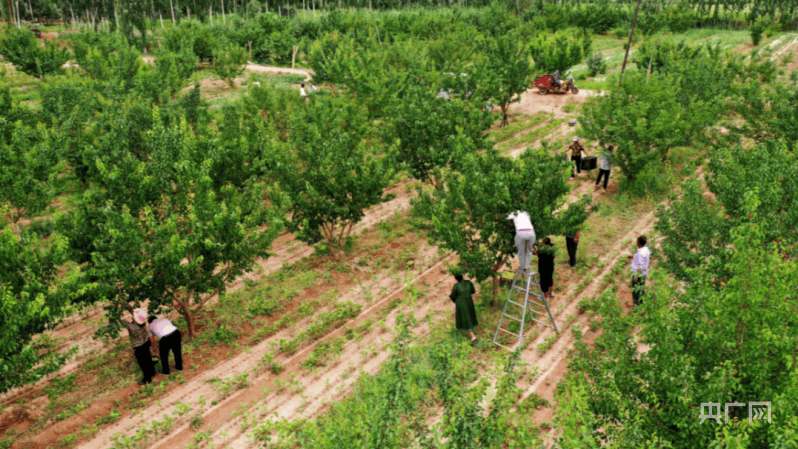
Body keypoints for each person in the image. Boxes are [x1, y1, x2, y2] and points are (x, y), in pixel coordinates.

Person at [123, 308, 156, 385]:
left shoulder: (132, 326)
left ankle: (147, 379)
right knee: (148, 358)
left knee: (142, 363)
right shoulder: (143, 322)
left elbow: (123, 322)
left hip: (139, 347)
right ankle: (152, 372)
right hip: (146, 342)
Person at [449, 274, 478, 344]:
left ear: (455, 278)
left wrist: (451, 291)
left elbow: (452, 296)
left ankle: (473, 337)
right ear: (463, 277)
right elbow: (473, 291)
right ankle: (467, 328)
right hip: (469, 302)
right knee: (469, 316)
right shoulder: (469, 282)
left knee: (465, 319)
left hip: (461, 304)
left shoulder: (456, 286)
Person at [627, 236, 651, 307]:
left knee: (635, 289)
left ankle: (636, 305)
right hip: (644, 272)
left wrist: (636, 277)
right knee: (641, 287)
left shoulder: (640, 253)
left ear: (638, 242)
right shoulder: (646, 249)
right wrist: (633, 257)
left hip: (638, 273)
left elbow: (640, 265)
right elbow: (643, 259)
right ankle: (642, 303)